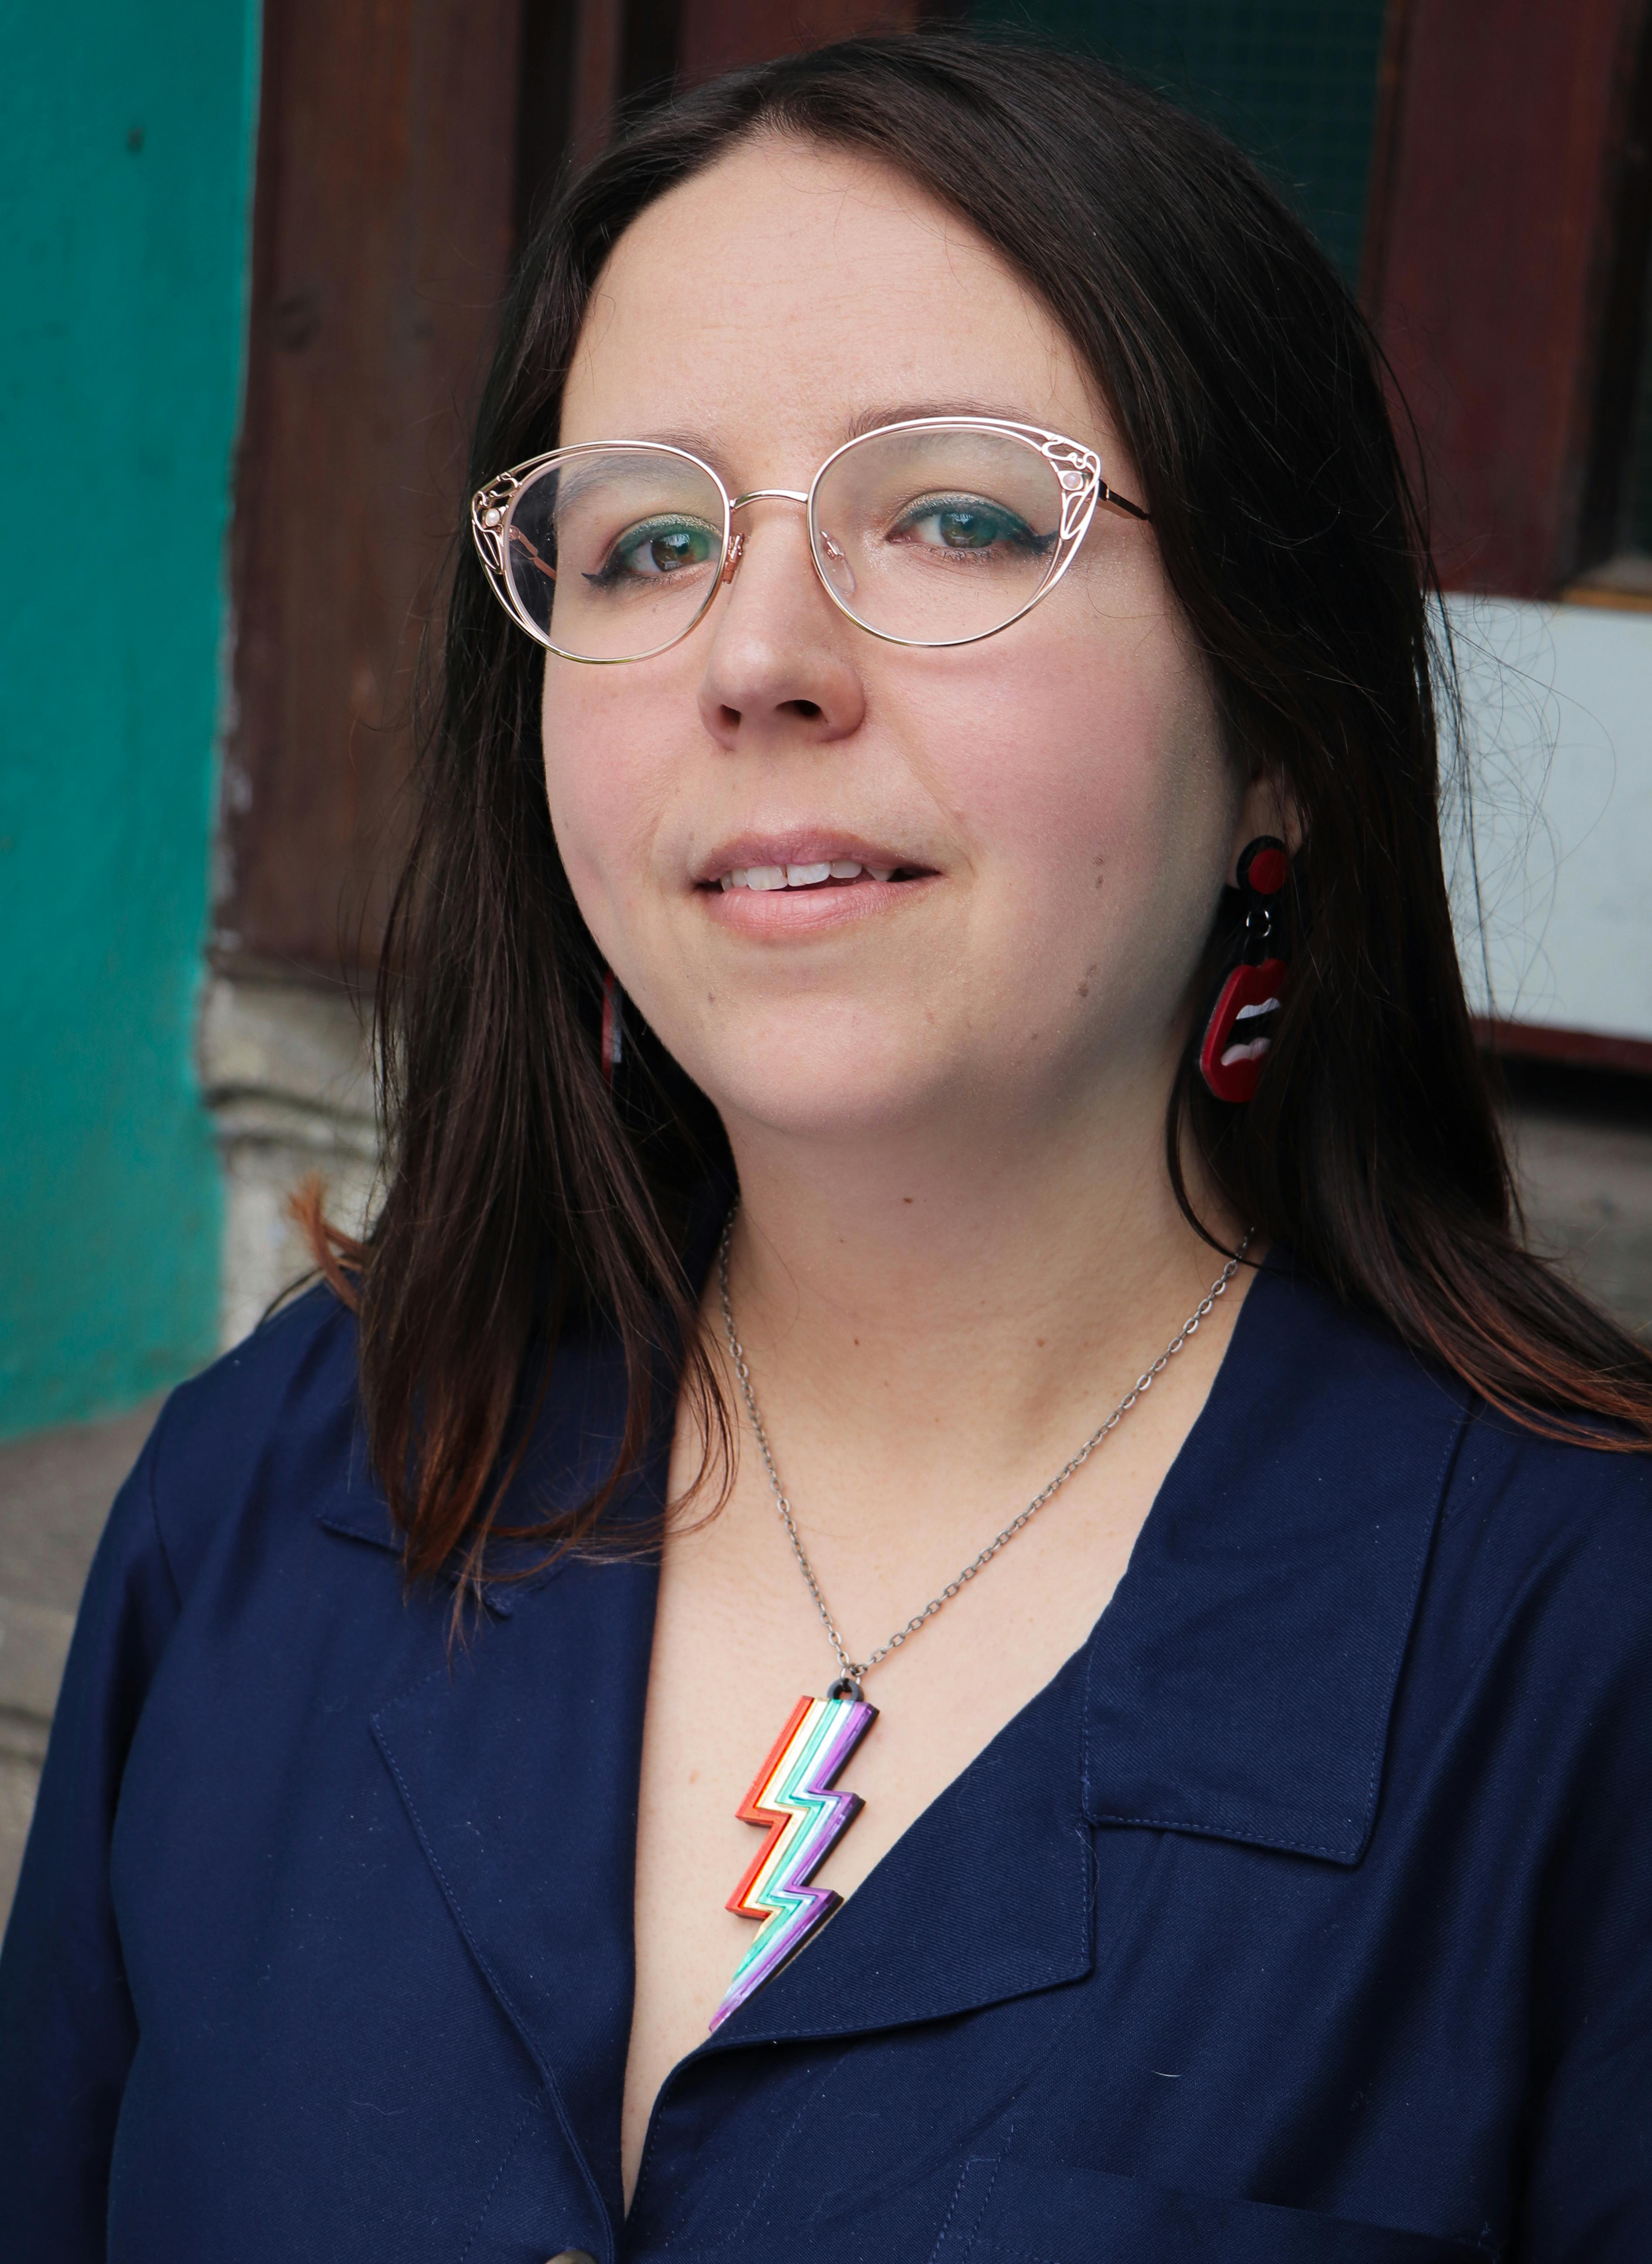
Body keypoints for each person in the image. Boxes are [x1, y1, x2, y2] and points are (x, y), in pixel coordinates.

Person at [3, 31, 1650, 2261]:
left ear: (1284, 731)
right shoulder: (282, 1484)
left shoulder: (1576, 1672)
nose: (756, 655)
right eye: (649, 541)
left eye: (961, 514)